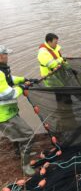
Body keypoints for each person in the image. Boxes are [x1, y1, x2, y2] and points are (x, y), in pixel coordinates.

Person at [0, 45, 38, 176]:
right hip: (3, 115)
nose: (8, 56)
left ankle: (19, 152)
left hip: (9, 111)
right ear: (0, 56)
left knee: (18, 134)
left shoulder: (3, 70)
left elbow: (10, 80)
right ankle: (25, 165)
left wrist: (24, 79)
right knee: (28, 135)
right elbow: (9, 95)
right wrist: (22, 87)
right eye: (6, 54)